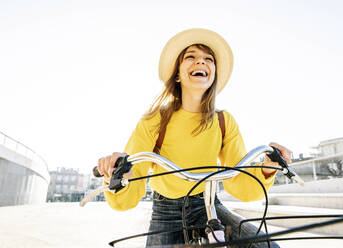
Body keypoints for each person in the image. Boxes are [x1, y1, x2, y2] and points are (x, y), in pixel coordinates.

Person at [97, 28, 292, 247]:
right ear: (178, 74)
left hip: (208, 204)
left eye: (208, 59)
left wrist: (267, 168)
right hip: (166, 210)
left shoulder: (224, 121)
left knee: (264, 244)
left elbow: (239, 181)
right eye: (191, 57)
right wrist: (116, 174)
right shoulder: (155, 120)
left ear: (213, 74)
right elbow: (132, 184)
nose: (201, 62)